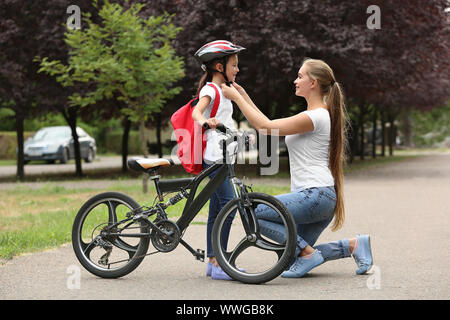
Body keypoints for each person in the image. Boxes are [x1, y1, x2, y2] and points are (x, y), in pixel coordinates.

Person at [220, 58, 373, 278]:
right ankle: (353, 246)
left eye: (300, 76)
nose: (295, 80)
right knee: (290, 257)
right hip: (320, 199)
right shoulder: (316, 116)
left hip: (314, 196)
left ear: (314, 83)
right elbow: (268, 123)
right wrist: (243, 96)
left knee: (248, 210)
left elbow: (265, 127)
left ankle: (306, 252)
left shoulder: (315, 117)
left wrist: (236, 99)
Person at [191, 40, 245, 280]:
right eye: (234, 64)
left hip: (224, 155)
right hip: (214, 158)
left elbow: (227, 121)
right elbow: (196, 111)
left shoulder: (225, 91)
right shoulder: (211, 90)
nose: (237, 69)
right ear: (219, 67)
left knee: (217, 208)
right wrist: (205, 122)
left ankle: (213, 262)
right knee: (229, 204)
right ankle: (219, 261)